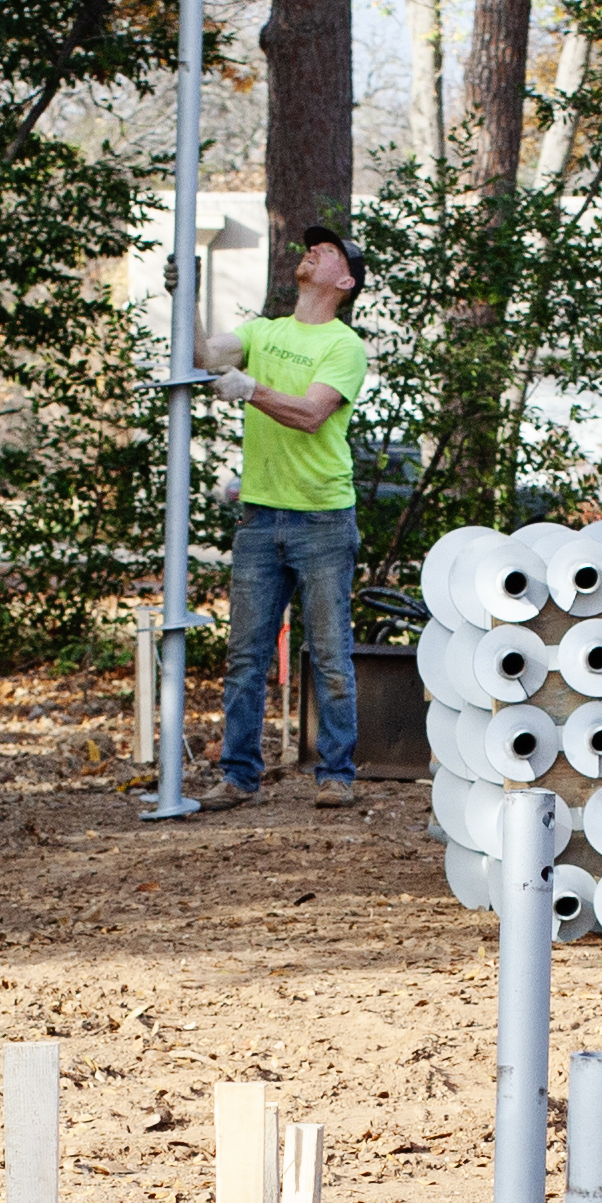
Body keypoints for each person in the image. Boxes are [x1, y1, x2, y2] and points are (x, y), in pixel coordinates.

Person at [210, 227, 371, 805]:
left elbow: (310, 415)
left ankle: (336, 776)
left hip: (322, 519)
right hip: (259, 518)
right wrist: (185, 295)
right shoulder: (263, 332)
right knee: (245, 656)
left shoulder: (344, 346)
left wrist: (251, 389)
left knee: (329, 655)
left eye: (328, 250)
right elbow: (205, 354)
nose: (314, 250)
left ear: (344, 280)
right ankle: (238, 777)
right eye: (313, 246)